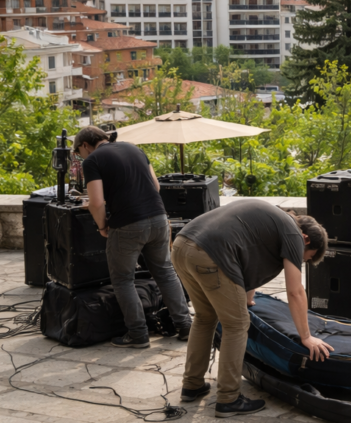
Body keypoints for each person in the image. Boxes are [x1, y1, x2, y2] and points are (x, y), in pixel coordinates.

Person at [171, 199, 332, 417]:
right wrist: (306, 337)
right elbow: (295, 291)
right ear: (306, 239)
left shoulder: (274, 221)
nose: (300, 260)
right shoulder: (294, 235)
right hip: (210, 253)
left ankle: (192, 385)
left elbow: (247, 257)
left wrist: (246, 297)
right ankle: (228, 399)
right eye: (306, 257)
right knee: (237, 325)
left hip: (182, 245)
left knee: (205, 317)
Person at [76, 126, 191, 349]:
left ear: (84, 146)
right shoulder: (134, 149)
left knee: (123, 280)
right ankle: (185, 325)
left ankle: (138, 334)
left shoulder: (91, 161)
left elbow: (96, 202)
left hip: (128, 224)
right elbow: (155, 186)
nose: (79, 156)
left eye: (78, 152)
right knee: (166, 273)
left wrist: (102, 226)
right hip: (159, 219)